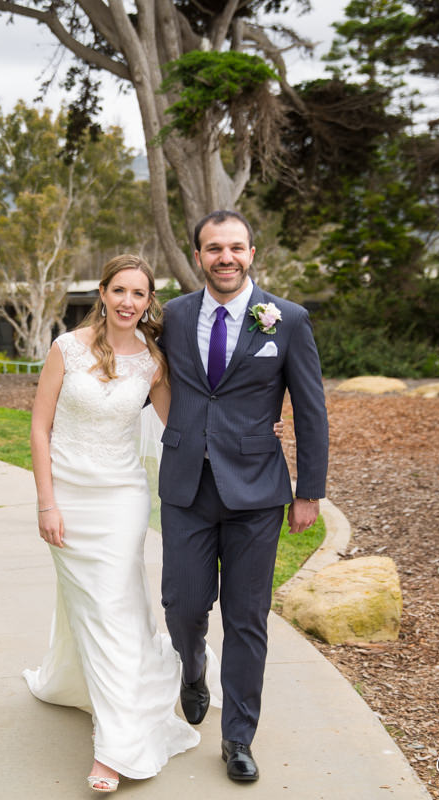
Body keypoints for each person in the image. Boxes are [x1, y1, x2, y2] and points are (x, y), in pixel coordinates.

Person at [157, 210, 329, 783]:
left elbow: (310, 412)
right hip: (186, 488)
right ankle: (192, 667)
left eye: (235, 247)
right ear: (198, 255)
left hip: (256, 493)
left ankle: (238, 737)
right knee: (182, 606)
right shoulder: (174, 317)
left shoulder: (289, 320)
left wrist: (310, 493)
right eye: (213, 249)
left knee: (247, 616)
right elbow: (136, 368)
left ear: (252, 252)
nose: (224, 258)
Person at [26, 255, 199, 794]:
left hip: (123, 498)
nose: (128, 302)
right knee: (93, 606)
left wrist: (253, 421)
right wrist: (46, 503)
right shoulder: (66, 349)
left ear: (150, 302)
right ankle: (88, 685)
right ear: (102, 292)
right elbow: (39, 426)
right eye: (119, 290)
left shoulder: (153, 361)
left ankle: (116, 747)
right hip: (70, 497)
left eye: (139, 294)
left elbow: (182, 425)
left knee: (111, 604)